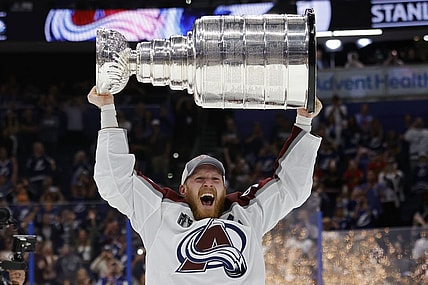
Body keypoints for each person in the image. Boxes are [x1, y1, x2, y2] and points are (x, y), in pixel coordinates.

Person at [88, 86, 322, 284]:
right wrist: (107, 109)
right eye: (199, 179)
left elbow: (291, 187)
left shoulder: (248, 214)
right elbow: (115, 182)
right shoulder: (159, 213)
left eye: (215, 179)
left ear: (224, 189)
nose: (208, 183)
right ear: (183, 190)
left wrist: (304, 120)